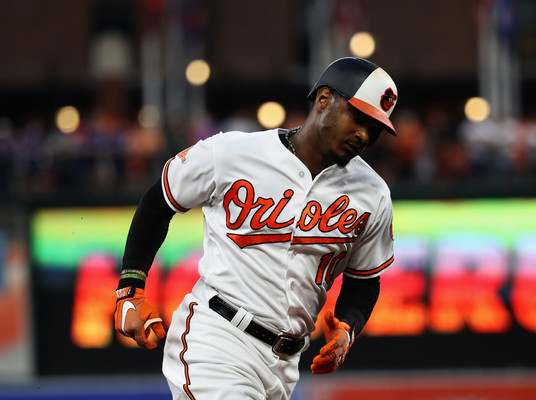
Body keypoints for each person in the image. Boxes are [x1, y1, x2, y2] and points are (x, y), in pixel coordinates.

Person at [114, 57, 398, 399]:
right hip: (218, 339)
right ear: (324, 100)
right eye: (359, 117)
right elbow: (159, 201)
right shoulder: (232, 153)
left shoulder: (373, 192)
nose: (364, 134)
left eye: (376, 128)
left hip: (286, 363)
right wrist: (131, 288)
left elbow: (364, 281)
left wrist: (348, 328)